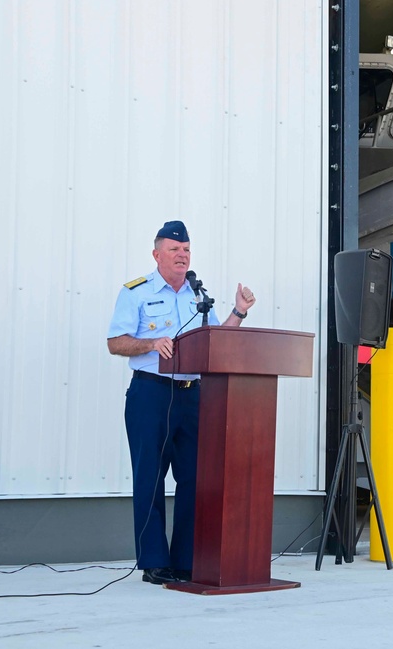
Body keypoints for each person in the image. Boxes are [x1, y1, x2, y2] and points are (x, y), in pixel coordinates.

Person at [107, 220, 256, 585]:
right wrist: (150, 344)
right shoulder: (136, 292)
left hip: (193, 395)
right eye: (174, 250)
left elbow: (217, 341)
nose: (182, 255)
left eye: (186, 250)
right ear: (157, 254)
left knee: (194, 479)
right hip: (151, 394)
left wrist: (238, 312)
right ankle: (154, 561)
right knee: (150, 478)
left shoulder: (197, 294)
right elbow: (115, 342)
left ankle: (186, 560)